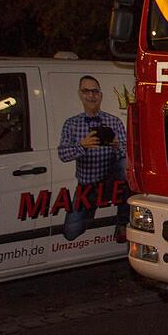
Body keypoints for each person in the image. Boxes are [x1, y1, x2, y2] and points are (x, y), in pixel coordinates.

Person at [58, 75, 128, 242]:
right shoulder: (71, 124)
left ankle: (123, 223)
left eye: (95, 91)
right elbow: (63, 154)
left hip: (111, 182)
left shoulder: (114, 121)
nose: (91, 95)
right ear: (80, 95)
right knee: (71, 232)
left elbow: (128, 156)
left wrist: (117, 145)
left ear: (101, 95)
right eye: (86, 91)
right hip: (87, 187)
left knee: (126, 166)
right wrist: (82, 145)